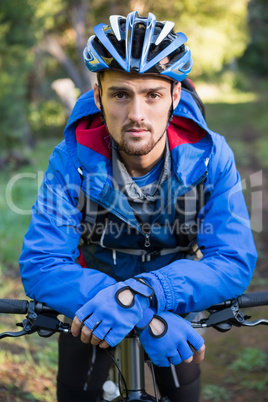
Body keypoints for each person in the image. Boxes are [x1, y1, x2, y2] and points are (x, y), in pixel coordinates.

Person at [19, 11, 257, 402]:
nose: (136, 115)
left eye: (153, 94)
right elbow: (43, 263)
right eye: (120, 94)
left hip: (174, 294)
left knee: (182, 391)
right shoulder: (71, 159)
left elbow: (233, 259)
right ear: (98, 97)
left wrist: (146, 294)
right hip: (91, 297)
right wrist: (142, 312)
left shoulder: (212, 157)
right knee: (78, 384)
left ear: (175, 96)